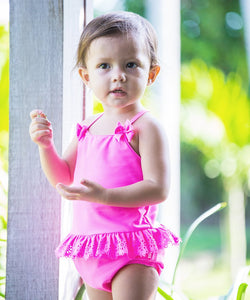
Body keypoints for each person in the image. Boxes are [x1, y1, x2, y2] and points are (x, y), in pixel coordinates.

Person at [29, 11, 180, 300]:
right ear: (86, 76)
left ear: (151, 73)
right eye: (104, 66)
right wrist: (45, 147)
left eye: (131, 64)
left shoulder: (147, 127)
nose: (118, 75)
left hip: (131, 249)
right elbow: (64, 180)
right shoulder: (87, 127)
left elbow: (158, 188)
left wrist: (105, 196)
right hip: (92, 248)